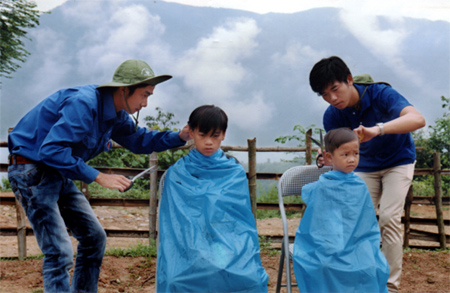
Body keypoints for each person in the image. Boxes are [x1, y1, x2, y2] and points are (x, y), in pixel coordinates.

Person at [7, 59, 191, 293]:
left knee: (94, 238)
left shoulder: (116, 115)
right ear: (125, 89)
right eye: (144, 95)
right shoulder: (83, 104)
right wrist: (98, 176)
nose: (145, 103)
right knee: (59, 251)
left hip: (58, 171)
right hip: (31, 171)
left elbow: (140, 140)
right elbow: (51, 150)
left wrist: (180, 136)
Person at [309, 56, 425, 292]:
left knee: (389, 218)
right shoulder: (332, 115)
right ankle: (361, 279)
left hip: (398, 161)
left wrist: (377, 130)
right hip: (364, 166)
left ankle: (389, 287)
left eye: (335, 89)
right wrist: (328, 156)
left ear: (349, 80)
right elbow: (339, 150)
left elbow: (417, 119)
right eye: (325, 95)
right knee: (356, 220)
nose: (332, 98)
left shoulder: (380, 93)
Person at [156, 105, 269, 292]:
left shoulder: (234, 172)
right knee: (175, 281)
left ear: (223, 135)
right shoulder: (178, 172)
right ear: (191, 133)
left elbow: (240, 221)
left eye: (215, 136)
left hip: (229, 242)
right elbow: (174, 223)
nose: (209, 142)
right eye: (202, 135)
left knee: (251, 280)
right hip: (188, 247)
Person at [293, 127, 390, 293]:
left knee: (373, 266)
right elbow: (309, 197)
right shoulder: (322, 185)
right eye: (345, 155)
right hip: (326, 243)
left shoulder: (360, 185)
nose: (352, 159)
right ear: (330, 156)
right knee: (323, 266)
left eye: (356, 154)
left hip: (357, 243)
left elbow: (365, 224)